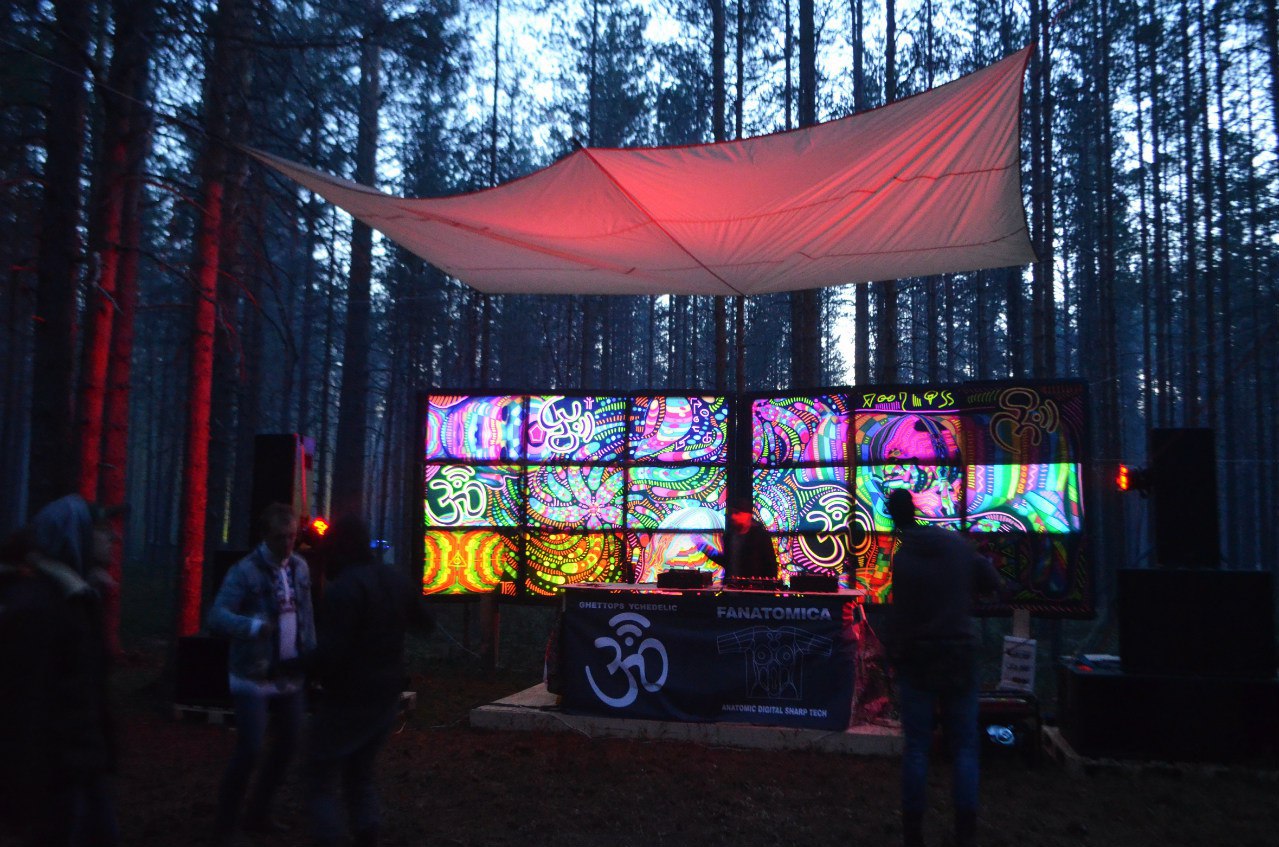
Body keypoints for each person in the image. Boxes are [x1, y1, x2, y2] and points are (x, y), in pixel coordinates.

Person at [886, 488, 1004, 847]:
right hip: (959, 653)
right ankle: (965, 832)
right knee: (965, 747)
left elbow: (902, 616)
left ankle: (913, 834)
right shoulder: (955, 545)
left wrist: (896, 656)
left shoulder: (903, 558)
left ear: (894, 518)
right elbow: (992, 582)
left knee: (917, 747)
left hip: (919, 657)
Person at [305, 514, 433, 847]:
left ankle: (330, 837)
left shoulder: (344, 589)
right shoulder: (393, 579)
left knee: (318, 774)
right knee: (360, 773)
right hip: (386, 697)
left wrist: (293, 667)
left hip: (348, 699)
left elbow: (331, 654)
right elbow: (426, 622)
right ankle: (367, 833)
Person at [0, 495, 121, 847]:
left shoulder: (77, 597)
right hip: (55, 771)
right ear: (73, 535)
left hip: (81, 765)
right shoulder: (38, 605)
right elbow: (23, 701)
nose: (113, 538)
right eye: (101, 530)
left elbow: (90, 687)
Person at [208, 502, 316, 844]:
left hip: (289, 674)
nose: (288, 543)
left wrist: (311, 657)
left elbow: (307, 616)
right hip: (252, 675)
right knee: (250, 748)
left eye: (292, 536)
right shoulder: (244, 572)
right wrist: (252, 627)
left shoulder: (300, 567)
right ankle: (225, 825)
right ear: (265, 536)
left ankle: (259, 812)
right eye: (280, 537)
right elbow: (217, 616)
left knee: (289, 744)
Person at [697, 496, 778, 582]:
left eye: (736, 513)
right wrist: (705, 548)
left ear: (747, 515)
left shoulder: (761, 536)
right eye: (731, 513)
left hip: (755, 587)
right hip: (732, 586)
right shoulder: (729, 535)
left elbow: (770, 566)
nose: (732, 517)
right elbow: (726, 560)